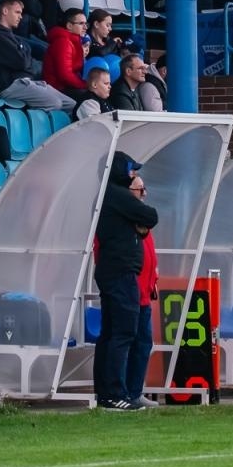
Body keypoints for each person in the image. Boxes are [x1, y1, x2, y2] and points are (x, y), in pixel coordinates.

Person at [93, 151, 158, 411]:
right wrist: (137, 218)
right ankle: (114, 394)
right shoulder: (116, 194)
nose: (133, 175)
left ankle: (108, 393)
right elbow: (150, 216)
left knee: (111, 334)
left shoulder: (108, 196)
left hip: (114, 274)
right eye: (131, 171)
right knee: (122, 334)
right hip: (120, 275)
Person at [0, 0, 73, 110]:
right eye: (17, 12)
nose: (20, 17)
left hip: (27, 81)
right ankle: (33, 125)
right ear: (5, 11)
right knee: (54, 103)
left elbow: (26, 58)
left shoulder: (11, 36)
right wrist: (25, 54)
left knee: (70, 104)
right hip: (10, 85)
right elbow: (22, 62)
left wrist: (24, 53)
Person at [123, 172, 160, 408]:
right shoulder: (122, 220)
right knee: (127, 342)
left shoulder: (143, 220)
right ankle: (122, 393)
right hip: (129, 293)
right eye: (140, 189)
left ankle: (134, 392)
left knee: (143, 343)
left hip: (145, 294)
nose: (144, 194)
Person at [42, 8, 90, 100]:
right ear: (69, 26)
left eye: (86, 23)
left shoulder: (72, 41)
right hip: (57, 89)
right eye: (81, 24)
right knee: (89, 96)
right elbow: (65, 75)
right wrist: (84, 85)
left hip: (64, 87)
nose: (85, 27)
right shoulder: (63, 42)